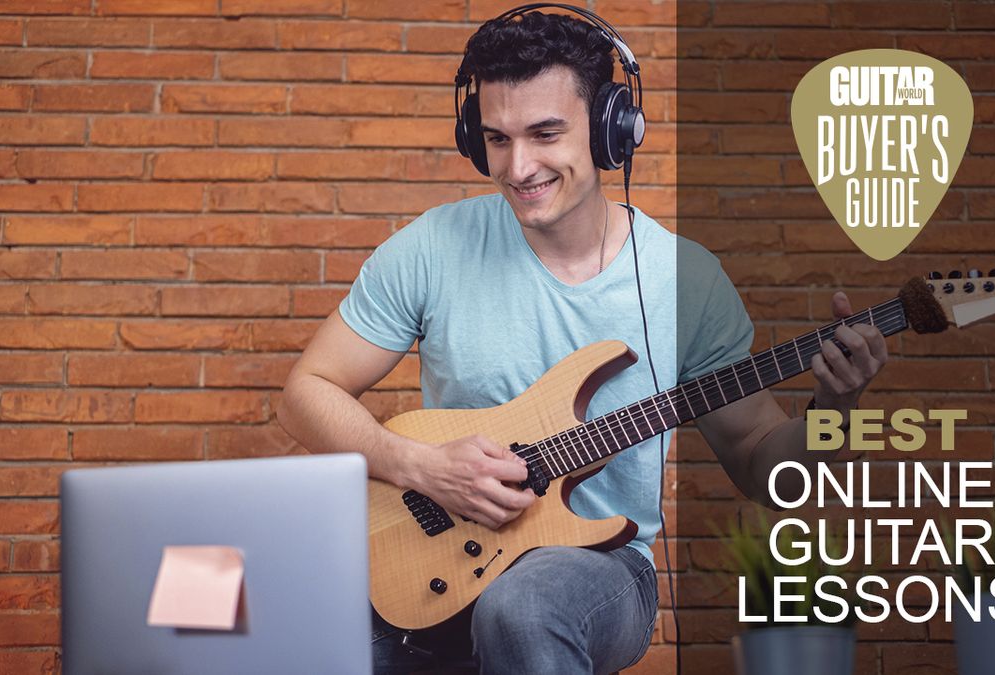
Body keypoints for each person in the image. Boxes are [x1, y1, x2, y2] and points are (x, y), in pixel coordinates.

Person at [276, 7, 887, 674]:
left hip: (603, 568)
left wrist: (836, 408)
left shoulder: (683, 280)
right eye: (497, 139)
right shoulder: (434, 246)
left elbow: (763, 465)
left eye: (544, 134)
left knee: (524, 606)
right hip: (441, 554)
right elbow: (306, 391)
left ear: (610, 129)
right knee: (287, 621)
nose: (518, 166)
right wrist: (419, 467)